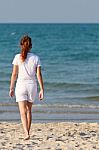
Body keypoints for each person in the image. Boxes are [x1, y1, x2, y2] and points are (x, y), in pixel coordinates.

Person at [9, 35, 44, 140]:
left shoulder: (17, 57)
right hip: (32, 86)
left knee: (22, 112)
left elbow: (14, 74)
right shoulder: (36, 58)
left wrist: (11, 88)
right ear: (31, 46)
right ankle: (27, 132)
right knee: (29, 110)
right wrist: (42, 89)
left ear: (21, 45)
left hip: (20, 86)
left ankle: (26, 133)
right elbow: (38, 75)